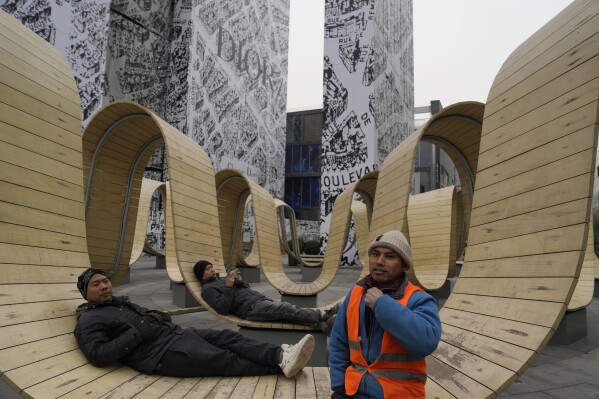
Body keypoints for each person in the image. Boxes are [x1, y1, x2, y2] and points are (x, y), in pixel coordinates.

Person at [74, 267, 315, 379]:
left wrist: (157, 317)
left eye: (105, 281)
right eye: (96, 284)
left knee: (229, 337)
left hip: (176, 334)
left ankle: (280, 355)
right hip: (161, 355)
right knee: (223, 359)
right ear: (86, 292)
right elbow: (98, 354)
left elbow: (151, 316)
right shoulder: (88, 319)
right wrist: (138, 332)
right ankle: (279, 368)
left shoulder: (119, 302)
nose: (104, 286)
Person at [328, 230, 442, 398]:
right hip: (353, 391)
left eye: (389, 256)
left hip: (399, 394)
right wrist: (339, 385)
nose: (379, 261)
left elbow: (426, 343)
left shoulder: (419, 299)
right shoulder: (356, 293)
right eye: (375, 254)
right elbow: (339, 342)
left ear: (404, 265)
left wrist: (381, 304)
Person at [193, 260, 338, 334]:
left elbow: (246, 289)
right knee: (288, 309)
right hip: (249, 309)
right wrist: (229, 287)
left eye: (211, 267)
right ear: (201, 274)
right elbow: (222, 308)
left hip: (257, 301)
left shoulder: (221, 281)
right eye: (207, 269)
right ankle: (324, 314)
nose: (212, 269)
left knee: (286, 315)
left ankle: (321, 325)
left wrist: (239, 282)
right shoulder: (208, 289)